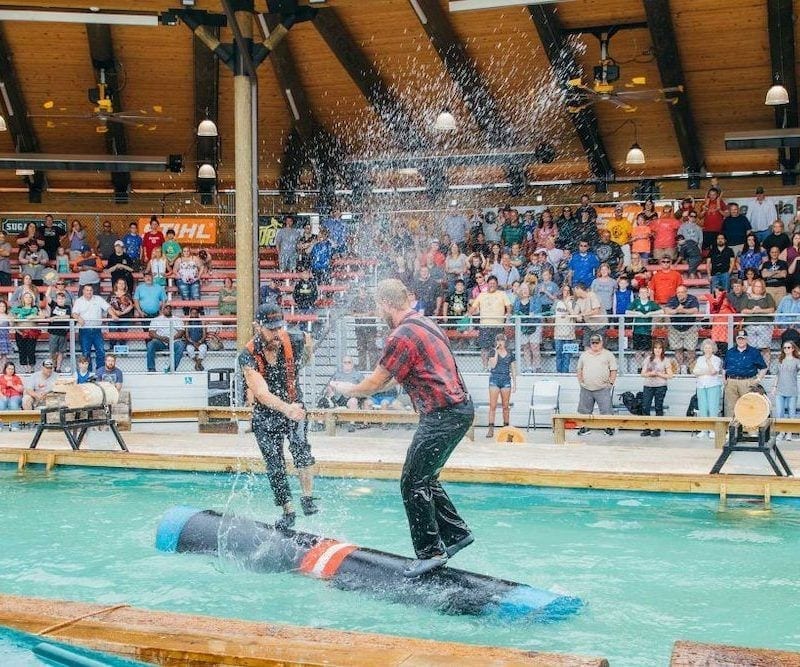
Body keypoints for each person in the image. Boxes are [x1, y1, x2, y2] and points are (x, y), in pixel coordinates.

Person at [331, 279, 474, 578]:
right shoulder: (424, 323)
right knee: (427, 479)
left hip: (442, 415)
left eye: (376, 306)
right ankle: (456, 534)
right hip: (459, 411)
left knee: (412, 483)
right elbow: (399, 376)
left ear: (384, 303)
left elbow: (375, 383)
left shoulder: (401, 335)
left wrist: (350, 390)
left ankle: (430, 552)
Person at [238, 302, 317, 529]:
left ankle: (307, 498)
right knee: (274, 461)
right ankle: (288, 510)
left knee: (301, 448)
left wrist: (307, 352)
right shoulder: (247, 356)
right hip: (266, 412)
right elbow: (261, 393)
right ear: (258, 326)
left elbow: (308, 352)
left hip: (294, 402)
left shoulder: (295, 339)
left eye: (278, 328)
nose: (275, 333)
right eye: (270, 329)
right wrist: (286, 408)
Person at [575, 333, 617, 436]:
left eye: (597, 342)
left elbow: (613, 370)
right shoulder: (584, 355)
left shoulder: (608, 354)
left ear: (601, 343)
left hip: (603, 388)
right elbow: (579, 369)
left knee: (606, 410)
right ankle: (584, 428)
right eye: (593, 342)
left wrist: (611, 382)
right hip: (586, 388)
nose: (595, 344)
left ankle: (608, 428)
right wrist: (580, 381)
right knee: (584, 410)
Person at [469, 275, 511, 369]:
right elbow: (474, 306)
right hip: (485, 326)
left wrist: (508, 313)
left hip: (498, 326)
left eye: (494, 283)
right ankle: (485, 367)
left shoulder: (502, 294)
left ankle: (496, 367)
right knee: (484, 348)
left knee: (498, 347)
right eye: (490, 283)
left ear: (497, 285)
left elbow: (508, 305)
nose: (492, 285)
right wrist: (469, 313)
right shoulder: (482, 295)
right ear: (487, 284)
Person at [723, 330, 767, 416]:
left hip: (747, 382)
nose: (741, 341)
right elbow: (724, 368)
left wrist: (758, 379)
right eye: (739, 339)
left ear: (747, 339)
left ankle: (748, 428)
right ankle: (732, 428)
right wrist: (724, 379)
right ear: (736, 339)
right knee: (730, 407)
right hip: (731, 382)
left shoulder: (754, 352)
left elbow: (764, 368)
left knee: (748, 405)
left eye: (743, 339)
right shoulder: (730, 352)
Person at [72, 284, 115, 372]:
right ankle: (88, 372)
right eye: (87, 290)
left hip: (97, 330)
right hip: (84, 330)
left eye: (90, 290)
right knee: (86, 353)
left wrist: (113, 315)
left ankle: (100, 371)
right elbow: (74, 313)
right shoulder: (79, 301)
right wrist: (78, 318)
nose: (89, 292)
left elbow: (108, 307)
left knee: (101, 351)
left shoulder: (98, 299)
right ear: (83, 291)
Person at [639, 340, 676, 437]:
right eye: (655, 348)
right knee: (645, 406)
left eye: (660, 348)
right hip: (648, 385)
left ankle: (657, 428)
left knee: (658, 407)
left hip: (661, 386)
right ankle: (646, 428)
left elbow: (670, 375)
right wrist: (650, 374)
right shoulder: (648, 359)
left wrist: (659, 374)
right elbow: (642, 374)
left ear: (662, 349)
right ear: (653, 349)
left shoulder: (666, 360)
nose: (657, 350)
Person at [739, 278, 776, 367]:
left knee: (765, 347)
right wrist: (752, 311)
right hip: (750, 325)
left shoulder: (768, 296)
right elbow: (743, 310)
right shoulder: (747, 297)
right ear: (752, 287)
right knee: (751, 348)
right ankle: (752, 367)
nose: (757, 288)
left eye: (760, 287)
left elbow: (772, 309)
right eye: (756, 286)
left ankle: (766, 368)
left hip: (764, 325)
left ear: (763, 288)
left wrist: (760, 310)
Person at [663, 285, 700, 373]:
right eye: (678, 292)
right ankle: (679, 369)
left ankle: (690, 369)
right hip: (675, 328)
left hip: (689, 327)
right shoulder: (672, 299)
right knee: (677, 349)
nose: (679, 294)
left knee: (691, 349)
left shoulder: (692, 299)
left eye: (681, 292)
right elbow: (667, 311)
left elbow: (695, 311)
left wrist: (683, 311)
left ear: (686, 292)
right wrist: (676, 311)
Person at [486, 332, 516, 439]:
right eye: (498, 340)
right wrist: (495, 351)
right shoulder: (492, 352)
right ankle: (490, 428)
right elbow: (493, 365)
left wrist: (515, 383)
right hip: (494, 379)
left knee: (505, 406)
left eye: (502, 340)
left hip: (506, 379)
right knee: (493, 405)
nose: (500, 342)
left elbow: (513, 368)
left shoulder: (510, 353)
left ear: (505, 341)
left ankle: (506, 429)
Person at [693, 339, 724, 439]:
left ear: (713, 348)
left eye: (709, 347)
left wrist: (708, 362)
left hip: (713, 385)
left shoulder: (716, 359)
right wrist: (706, 371)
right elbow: (695, 372)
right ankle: (704, 429)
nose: (707, 349)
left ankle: (713, 430)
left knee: (713, 408)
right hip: (701, 385)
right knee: (703, 408)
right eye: (705, 347)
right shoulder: (699, 359)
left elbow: (714, 371)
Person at [626, 286, 662, 371]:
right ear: (639, 294)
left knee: (647, 351)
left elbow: (661, 311)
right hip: (637, 330)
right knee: (637, 350)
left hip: (647, 331)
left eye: (645, 292)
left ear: (648, 294)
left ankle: (646, 367)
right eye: (641, 292)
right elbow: (627, 312)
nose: (643, 294)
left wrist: (650, 313)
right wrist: (637, 313)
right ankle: (639, 367)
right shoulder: (636, 302)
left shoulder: (651, 303)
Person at [146, 303, 186, 373]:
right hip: (160, 341)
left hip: (174, 341)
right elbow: (151, 333)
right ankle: (151, 368)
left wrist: (172, 338)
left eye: (169, 308)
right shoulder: (156, 320)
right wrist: (161, 338)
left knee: (181, 345)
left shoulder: (177, 319)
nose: (168, 309)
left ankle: (172, 368)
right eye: (166, 308)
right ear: (162, 310)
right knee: (150, 344)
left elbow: (181, 331)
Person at [774, 341, 800, 440]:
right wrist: (774, 387)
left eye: (788, 347)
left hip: (792, 390)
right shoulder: (780, 360)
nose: (786, 350)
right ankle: (781, 432)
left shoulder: (796, 361)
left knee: (791, 413)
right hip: (780, 390)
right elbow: (777, 375)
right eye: (784, 348)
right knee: (780, 412)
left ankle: (789, 432)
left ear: (793, 349)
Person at [11, 291, 41, 373]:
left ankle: (31, 367)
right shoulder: (18, 309)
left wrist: (33, 316)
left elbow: (42, 316)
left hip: (32, 333)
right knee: (22, 350)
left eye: (30, 297)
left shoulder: (35, 308)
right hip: (20, 332)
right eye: (26, 297)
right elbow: (12, 319)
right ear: (23, 299)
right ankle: (25, 368)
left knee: (31, 350)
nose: (28, 299)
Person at [553, 284, 576, 373]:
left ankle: (565, 372)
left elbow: (574, 314)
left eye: (567, 290)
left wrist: (566, 302)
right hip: (558, 332)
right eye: (564, 290)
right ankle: (559, 372)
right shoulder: (557, 302)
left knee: (567, 354)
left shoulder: (573, 303)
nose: (565, 292)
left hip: (569, 333)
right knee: (558, 353)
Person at [47, 290, 72, 372]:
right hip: (53, 332)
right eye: (59, 299)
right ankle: (53, 366)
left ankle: (58, 368)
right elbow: (47, 296)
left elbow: (67, 317)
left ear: (65, 300)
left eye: (62, 299)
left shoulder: (67, 307)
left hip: (63, 332)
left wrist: (55, 317)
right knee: (53, 352)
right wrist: (50, 287)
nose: (60, 300)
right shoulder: (54, 305)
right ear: (56, 299)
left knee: (61, 351)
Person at [0, 361, 24, 430]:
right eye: (9, 369)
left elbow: (20, 390)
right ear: (5, 369)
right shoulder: (1, 378)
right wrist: (1, 396)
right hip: (3, 395)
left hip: (15, 396)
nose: (11, 370)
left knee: (13, 404)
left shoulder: (16, 378)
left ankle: (15, 426)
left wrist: (12, 385)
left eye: (12, 369)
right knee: (1, 404)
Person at [185, 306, 208, 371]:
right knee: (189, 350)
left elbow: (204, 335)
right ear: (190, 314)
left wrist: (199, 342)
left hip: (201, 342)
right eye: (192, 313)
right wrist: (193, 343)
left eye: (195, 313)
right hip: (191, 342)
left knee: (203, 349)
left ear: (198, 314)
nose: (194, 315)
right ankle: (199, 364)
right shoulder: (187, 323)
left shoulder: (202, 322)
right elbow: (187, 336)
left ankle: (197, 365)